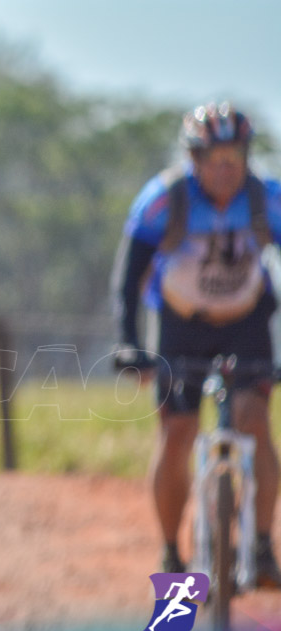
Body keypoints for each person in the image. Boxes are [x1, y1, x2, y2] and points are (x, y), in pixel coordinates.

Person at [112, 102, 281, 584]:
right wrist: (128, 344)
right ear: (194, 159)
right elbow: (127, 280)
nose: (225, 169)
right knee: (178, 431)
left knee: (254, 421)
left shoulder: (268, 198)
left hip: (246, 319)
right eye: (214, 158)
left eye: (235, 156)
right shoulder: (164, 199)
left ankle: (264, 546)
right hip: (180, 321)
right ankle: (171, 551)